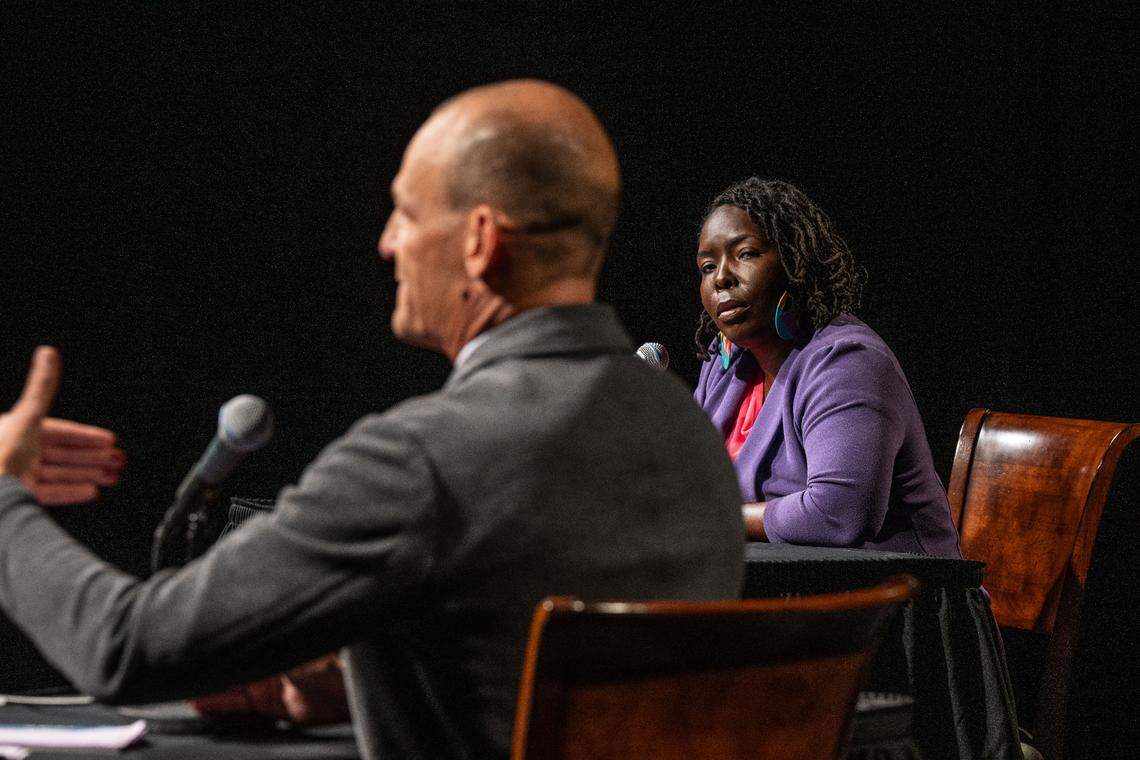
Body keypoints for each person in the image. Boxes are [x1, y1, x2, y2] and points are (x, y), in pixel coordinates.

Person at [0, 80, 745, 760]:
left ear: (479, 241)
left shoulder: (425, 459)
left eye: (408, 212)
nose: (388, 241)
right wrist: (360, 671)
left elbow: (125, 647)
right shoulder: (688, 437)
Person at [693, 177, 960, 557]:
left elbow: (839, 513)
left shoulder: (848, 361)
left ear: (794, 262)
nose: (721, 277)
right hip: (777, 593)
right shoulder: (724, 369)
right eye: (707, 266)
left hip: (894, 598)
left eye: (747, 253)